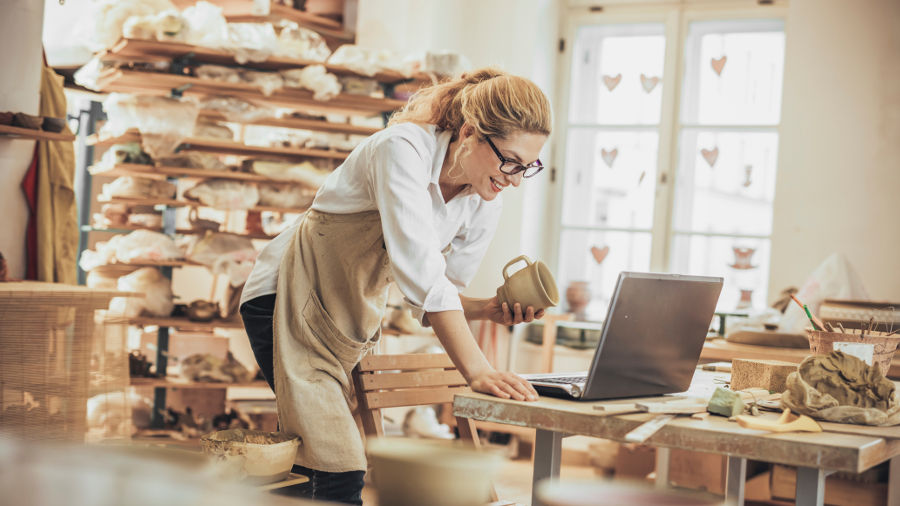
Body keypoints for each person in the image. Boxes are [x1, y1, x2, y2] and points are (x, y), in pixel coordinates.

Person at [239, 67, 552, 504]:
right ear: (469, 133)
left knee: (314, 459)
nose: (515, 179)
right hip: (284, 300)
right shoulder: (401, 149)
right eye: (511, 161)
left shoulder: (484, 199)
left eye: (527, 167)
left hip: (346, 322)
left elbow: (437, 294)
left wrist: (487, 309)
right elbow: (426, 282)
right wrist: (479, 371)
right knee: (335, 463)